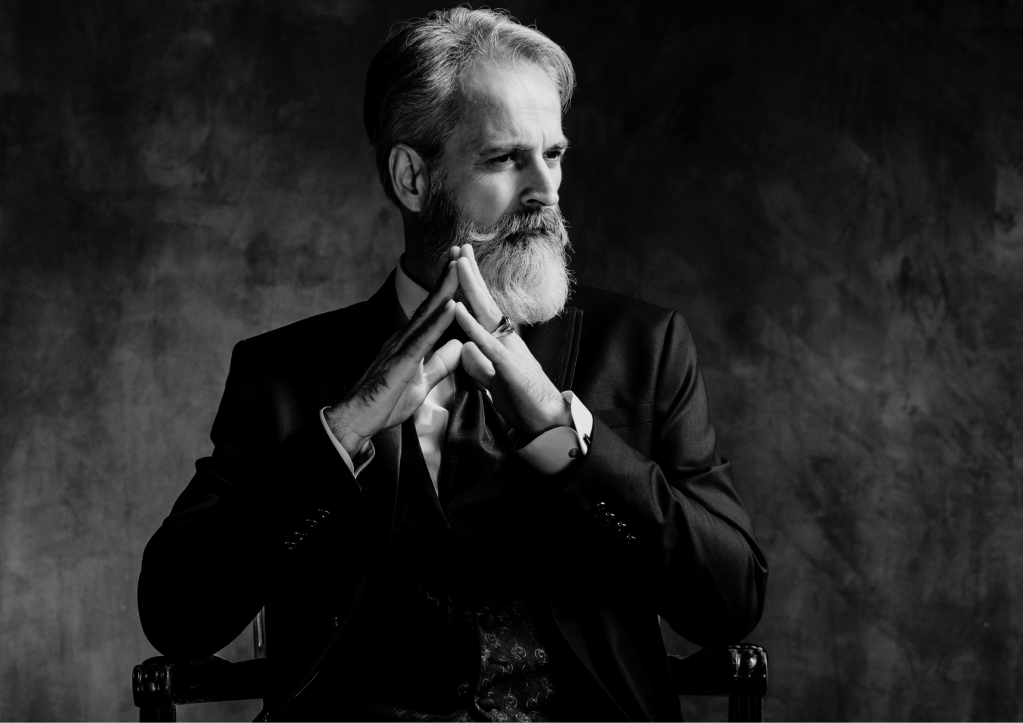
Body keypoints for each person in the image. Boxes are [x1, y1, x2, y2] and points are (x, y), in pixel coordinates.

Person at [138, 8, 768, 721]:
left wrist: (567, 436)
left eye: (552, 154)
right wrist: (343, 428)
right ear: (412, 178)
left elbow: (730, 598)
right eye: (504, 159)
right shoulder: (283, 371)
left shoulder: (644, 346)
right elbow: (177, 614)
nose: (545, 192)